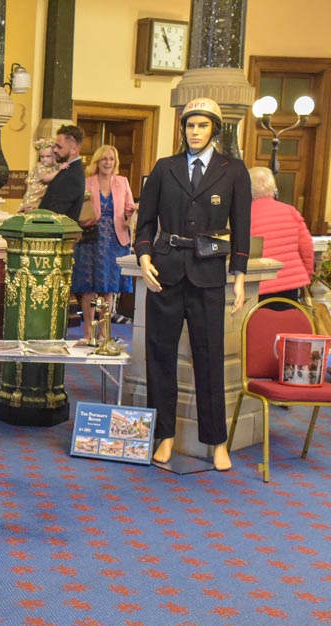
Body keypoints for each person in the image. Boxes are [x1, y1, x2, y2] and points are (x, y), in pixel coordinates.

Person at [134, 97, 251, 471]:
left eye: (202, 126)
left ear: (215, 129)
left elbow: (243, 227)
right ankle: (163, 435)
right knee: (160, 356)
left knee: (209, 358)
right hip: (166, 273)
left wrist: (240, 277)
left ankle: (216, 441)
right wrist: (144, 256)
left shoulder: (233, 171)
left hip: (209, 275)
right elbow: (146, 222)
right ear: (182, 129)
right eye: (189, 126)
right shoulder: (164, 168)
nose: (195, 132)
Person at [72, 144, 135, 344]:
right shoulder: (87, 182)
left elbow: (129, 208)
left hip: (114, 240)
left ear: (115, 163)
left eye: (111, 159)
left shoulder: (122, 182)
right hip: (91, 239)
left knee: (107, 288)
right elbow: (78, 209)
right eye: (104, 159)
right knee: (89, 287)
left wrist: (132, 214)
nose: (107, 162)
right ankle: (88, 334)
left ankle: (103, 333)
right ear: (97, 162)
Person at [249, 166, 314, 304]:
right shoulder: (290, 211)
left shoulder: (243, 216)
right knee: (288, 323)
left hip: (258, 286)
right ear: (274, 188)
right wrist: (306, 274)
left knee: (259, 324)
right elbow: (306, 247)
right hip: (291, 284)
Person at [39, 124, 86, 220]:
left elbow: (55, 214)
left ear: (74, 150)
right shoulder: (68, 170)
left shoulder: (72, 176)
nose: (55, 150)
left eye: (59, 147)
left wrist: (35, 216)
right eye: (55, 146)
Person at [19, 138, 60, 213]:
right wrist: (60, 171)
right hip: (35, 196)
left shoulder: (56, 166)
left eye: (48, 156)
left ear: (55, 155)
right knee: (32, 213)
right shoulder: (40, 166)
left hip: (45, 196)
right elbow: (45, 178)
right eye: (42, 156)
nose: (44, 159)